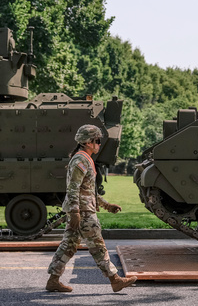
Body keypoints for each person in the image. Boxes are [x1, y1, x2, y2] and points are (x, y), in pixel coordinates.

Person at [46, 124, 137, 293]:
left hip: (82, 210)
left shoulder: (85, 159)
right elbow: (73, 187)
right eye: (97, 140)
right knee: (98, 246)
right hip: (83, 213)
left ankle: (53, 280)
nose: (99, 144)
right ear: (88, 142)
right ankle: (115, 280)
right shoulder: (80, 159)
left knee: (68, 245)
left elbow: (88, 190)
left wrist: (106, 205)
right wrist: (75, 212)